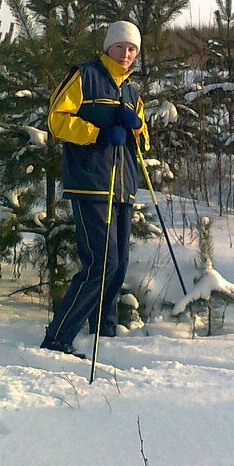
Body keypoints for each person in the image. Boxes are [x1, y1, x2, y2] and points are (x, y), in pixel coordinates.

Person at [41, 20, 149, 355]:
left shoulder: (132, 91)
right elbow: (57, 119)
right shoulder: (85, 76)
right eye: (120, 47)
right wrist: (98, 134)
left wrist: (137, 126)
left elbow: (144, 143)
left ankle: (103, 333)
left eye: (132, 49)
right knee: (101, 263)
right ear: (108, 47)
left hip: (123, 186)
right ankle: (58, 337)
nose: (126, 54)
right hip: (91, 182)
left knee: (118, 264)